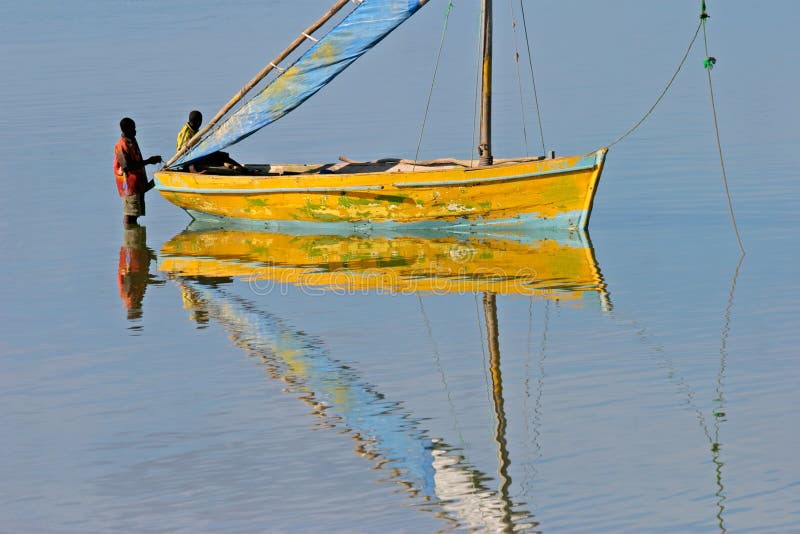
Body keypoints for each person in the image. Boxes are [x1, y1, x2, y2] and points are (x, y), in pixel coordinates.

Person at [113, 117, 162, 225]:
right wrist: (149, 161)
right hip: (129, 186)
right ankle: (129, 238)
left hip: (136, 185)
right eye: (132, 129)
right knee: (130, 214)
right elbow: (127, 167)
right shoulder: (121, 145)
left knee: (135, 214)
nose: (135, 131)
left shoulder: (132, 141)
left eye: (135, 128)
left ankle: (135, 237)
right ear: (125, 130)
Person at [176, 110, 254, 174]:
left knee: (221, 155)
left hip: (198, 157)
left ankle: (242, 169)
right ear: (198, 122)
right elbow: (181, 153)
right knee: (193, 157)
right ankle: (194, 172)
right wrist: (192, 166)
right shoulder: (186, 132)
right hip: (189, 163)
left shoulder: (195, 130)